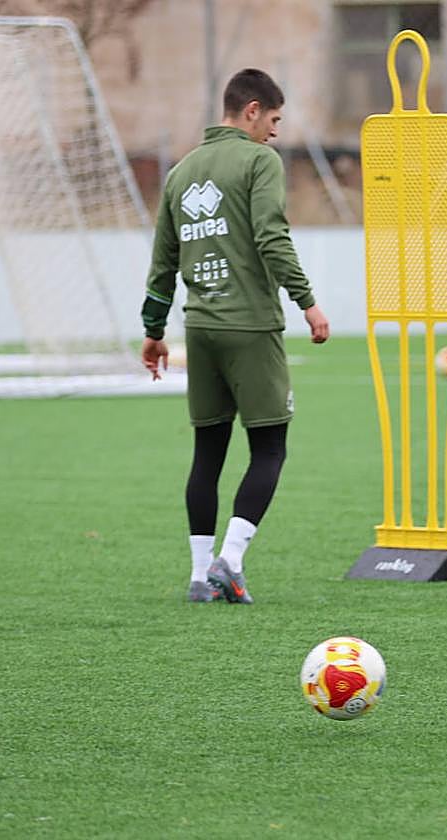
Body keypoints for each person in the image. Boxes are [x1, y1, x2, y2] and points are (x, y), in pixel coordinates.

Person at [140, 68, 330, 604]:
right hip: (250, 326)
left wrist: (154, 332)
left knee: (208, 453)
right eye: (273, 119)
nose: (274, 131)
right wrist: (307, 302)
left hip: (199, 331)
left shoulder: (180, 174)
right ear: (251, 110)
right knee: (269, 448)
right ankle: (232, 560)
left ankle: (200, 577)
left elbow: (162, 265)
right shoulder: (258, 161)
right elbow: (272, 235)